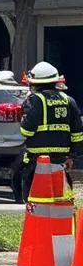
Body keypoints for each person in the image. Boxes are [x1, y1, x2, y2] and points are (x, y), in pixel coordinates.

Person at [17, 61, 83, 201]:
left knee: (32, 195)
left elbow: (26, 131)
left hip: (37, 160)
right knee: (60, 197)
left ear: (35, 83)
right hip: (61, 160)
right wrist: (72, 156)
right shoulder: (69, 100)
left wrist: (22, 118)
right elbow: (77, 134)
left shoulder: (35, 100)